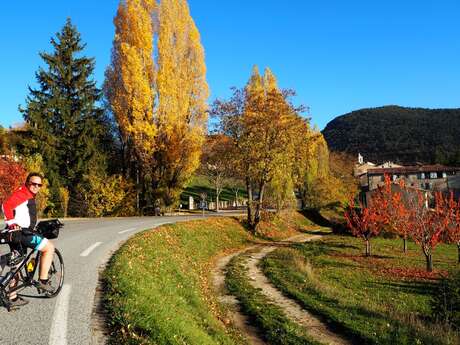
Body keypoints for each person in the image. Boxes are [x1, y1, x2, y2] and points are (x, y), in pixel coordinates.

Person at [1, 172, 55, 307]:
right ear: (27, 183)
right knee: (49, 248)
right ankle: (43, 281)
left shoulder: (28, 194)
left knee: (18, 263)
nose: (36, 186)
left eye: (39, 184)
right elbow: (6, 205)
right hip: (22, 233)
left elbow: (23, 214)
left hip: (19, 233)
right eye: (33, 183)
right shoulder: (23, 193)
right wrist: (12, 223)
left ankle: (12, 297)